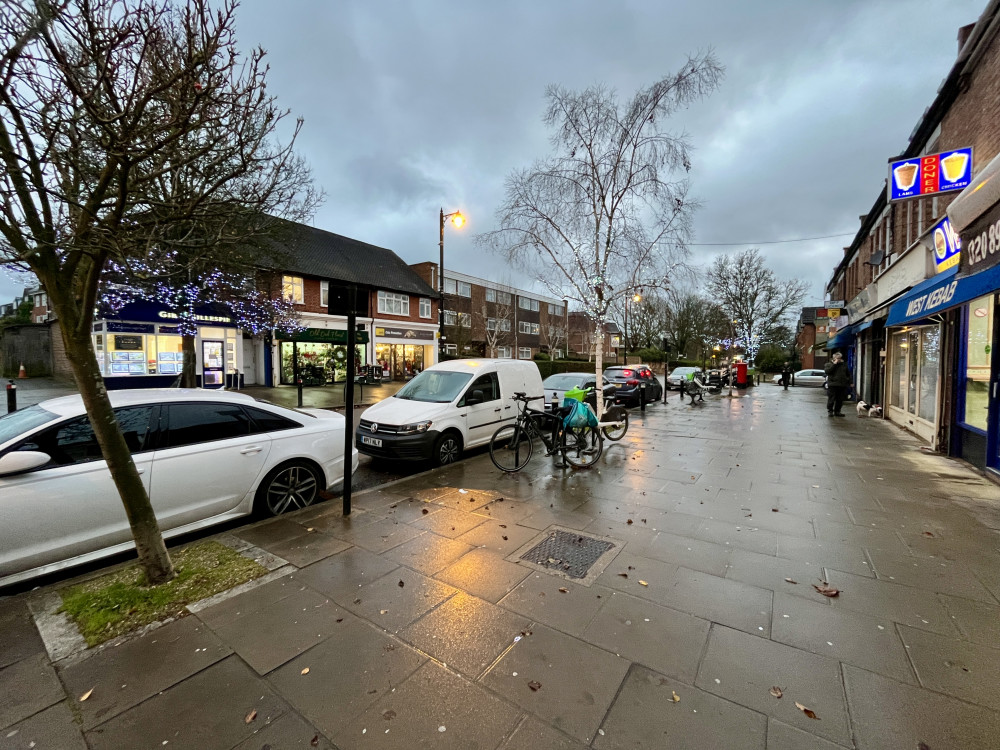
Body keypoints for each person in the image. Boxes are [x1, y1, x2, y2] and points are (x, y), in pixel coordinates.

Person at [824, 352, 851, 417]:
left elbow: (848, 374)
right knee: (831, 399)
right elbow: (827, 371)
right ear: (834, 358)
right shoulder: (828, 364)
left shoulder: (844, 365)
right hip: (833, 385)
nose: (839, 359)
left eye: (839, 358)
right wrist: (834, 364)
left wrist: (849, 381)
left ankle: (837, 411)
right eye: (837, 358)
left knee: (840, 399)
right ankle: (830, 411)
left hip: (842, 385)